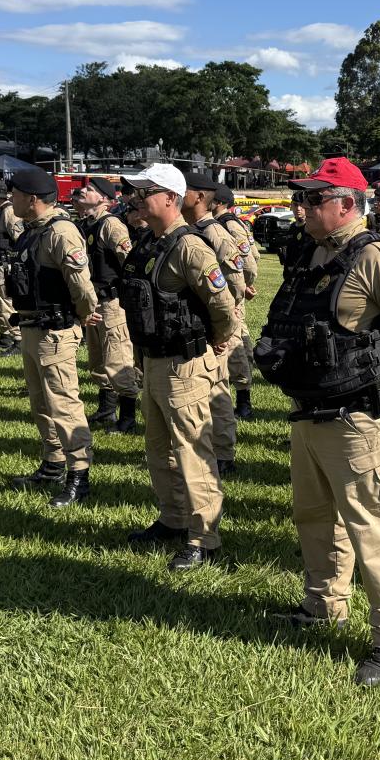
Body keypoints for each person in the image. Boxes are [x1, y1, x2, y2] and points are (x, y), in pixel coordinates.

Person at [254, 157, 380, 686]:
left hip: (358, 416)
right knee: (314, 517)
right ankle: (323, 605)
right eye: (305, 199)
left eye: (315, 200)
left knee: (373, 525)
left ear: (346, 205)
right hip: (310, 409)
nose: (304, 207)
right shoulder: (312, 253)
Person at [117, 163, 238, 570]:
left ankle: (205, 538)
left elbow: (222, 304)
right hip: (153, 361)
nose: (137, 198)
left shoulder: (190, 247)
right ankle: (172, 520)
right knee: (158, 450)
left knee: (191, 451)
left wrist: (219, 339)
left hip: (184, 363)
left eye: (145, 191)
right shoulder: (149, 242)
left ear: (170, 198)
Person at [5, 169, 102, 509]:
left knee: (63, 404)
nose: (10, 199)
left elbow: (81, 283)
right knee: (42, 404)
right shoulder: (33, 232)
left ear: (33, 198)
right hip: (34, 328)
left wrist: (83, 313)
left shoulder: (60, 231)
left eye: (14, 193)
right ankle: (52, 464)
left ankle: (79, 475)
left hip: (55, 332)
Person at [181, 171, 248, 476]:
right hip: (196, 322)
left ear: (198, 197)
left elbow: (234, 281)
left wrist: (225, 323)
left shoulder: (215, 233)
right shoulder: (187, 231)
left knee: (217, 390)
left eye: (184, 190)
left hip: (217, 322)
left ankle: (224, 452)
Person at [74, 179, 140, 433]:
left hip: (111, 302)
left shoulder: (110, 224)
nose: (82, 192)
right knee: (97, 360)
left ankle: (128, 417)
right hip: (93, 302)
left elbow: (129, 261)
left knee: (118, 359)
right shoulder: (85, 224)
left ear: (104, 199)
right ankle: (106, 409)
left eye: (89, 190)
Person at [213, 184, 259, 421]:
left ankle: (244, 402)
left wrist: (242, 288)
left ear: (218, 202)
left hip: (231, 295)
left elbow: (249, 260)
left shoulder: (229, 225)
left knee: (235, 346)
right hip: (223, 292)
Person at [0, 181, 24, 356]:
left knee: (5, 303)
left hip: (4, 265)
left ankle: (19, 339)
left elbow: (20, 238)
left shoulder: (9, 212)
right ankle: (6, 336)